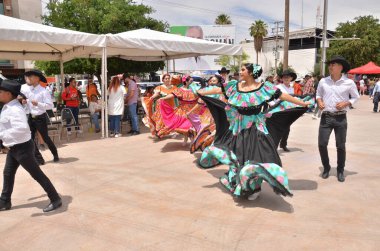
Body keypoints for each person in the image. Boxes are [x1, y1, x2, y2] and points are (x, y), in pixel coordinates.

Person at [197, 63, 311, 200]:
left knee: (257, 155)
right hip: (239, 128)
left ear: (251, 73)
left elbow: (283, 96)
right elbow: (218, 90)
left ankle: (254, 186)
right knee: (240, 156)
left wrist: (302, 103)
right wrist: (201, 92)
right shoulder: (235, 86)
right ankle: (241, 183)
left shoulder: (264, 88)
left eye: (243, 69)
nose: (240, 72)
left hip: (257, 127)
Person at [0, 79, 62, 212]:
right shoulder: (8, 106)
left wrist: (2, 135)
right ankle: (4, 201)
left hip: (22, 148)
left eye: (1, 91)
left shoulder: (15, 109)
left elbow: (22, 128)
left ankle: (55, 199)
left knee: (36, 174)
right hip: (15, 147)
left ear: (9, 94)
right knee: (8, 173)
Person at [316, 55, 359, 182]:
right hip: (326, 117)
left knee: (340, 146)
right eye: (329, 64)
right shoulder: (323, 81)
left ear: (340, 67)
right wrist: (319, 101)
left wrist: (346, 103)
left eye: (333, 64)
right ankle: (326, 167)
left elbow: (355, 97)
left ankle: (340, 170)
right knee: (322, 144)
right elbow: (318, 94)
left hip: (341, 118)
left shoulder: (349, 82)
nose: (330, 66)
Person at [22, 70, 59, 163]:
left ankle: (55, 154)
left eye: (31, 76)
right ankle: (39, 158)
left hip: (40, 117)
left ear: (37, 78)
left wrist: (38, 103)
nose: (29, 78)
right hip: (31, 117)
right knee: (29, 138)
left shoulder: (43, 91)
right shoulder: (28, 90)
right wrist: (25, 102)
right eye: (28, 76)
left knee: (45, 138)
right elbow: (28, 104)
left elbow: (50, 105)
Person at [276, 70, 297, 152]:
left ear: (291, 78)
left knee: (287, 129)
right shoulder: (278, 87)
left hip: (289, 110)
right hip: (279, 110)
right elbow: (272, 98)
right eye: (284, 77)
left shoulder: (292, 89)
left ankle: (283, 144)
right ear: (282, 78)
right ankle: (274, 145)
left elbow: (292, 99)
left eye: (288, 77)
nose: (286, 78)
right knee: (278, 129)